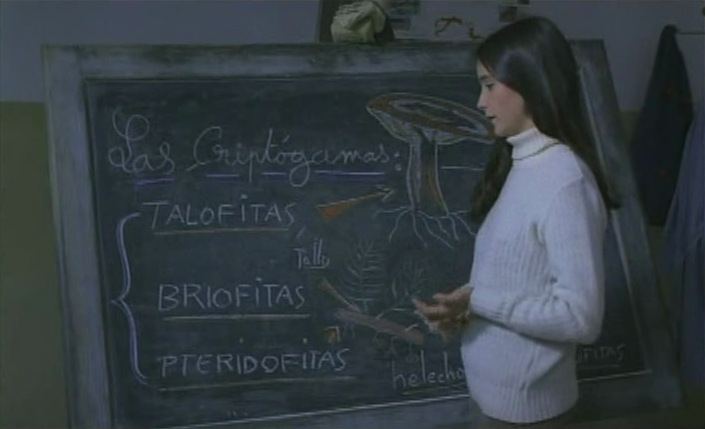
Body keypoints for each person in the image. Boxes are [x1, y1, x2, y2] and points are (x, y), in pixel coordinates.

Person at [413, 16, 619, 428]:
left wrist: (478, 301)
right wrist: (462, 309)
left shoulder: (564, 181)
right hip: (497, 406)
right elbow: (520, 282)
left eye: (489, 85)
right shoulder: (522, 163)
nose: (480, 102)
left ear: (531, 82)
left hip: (530, 416)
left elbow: (580, 318)